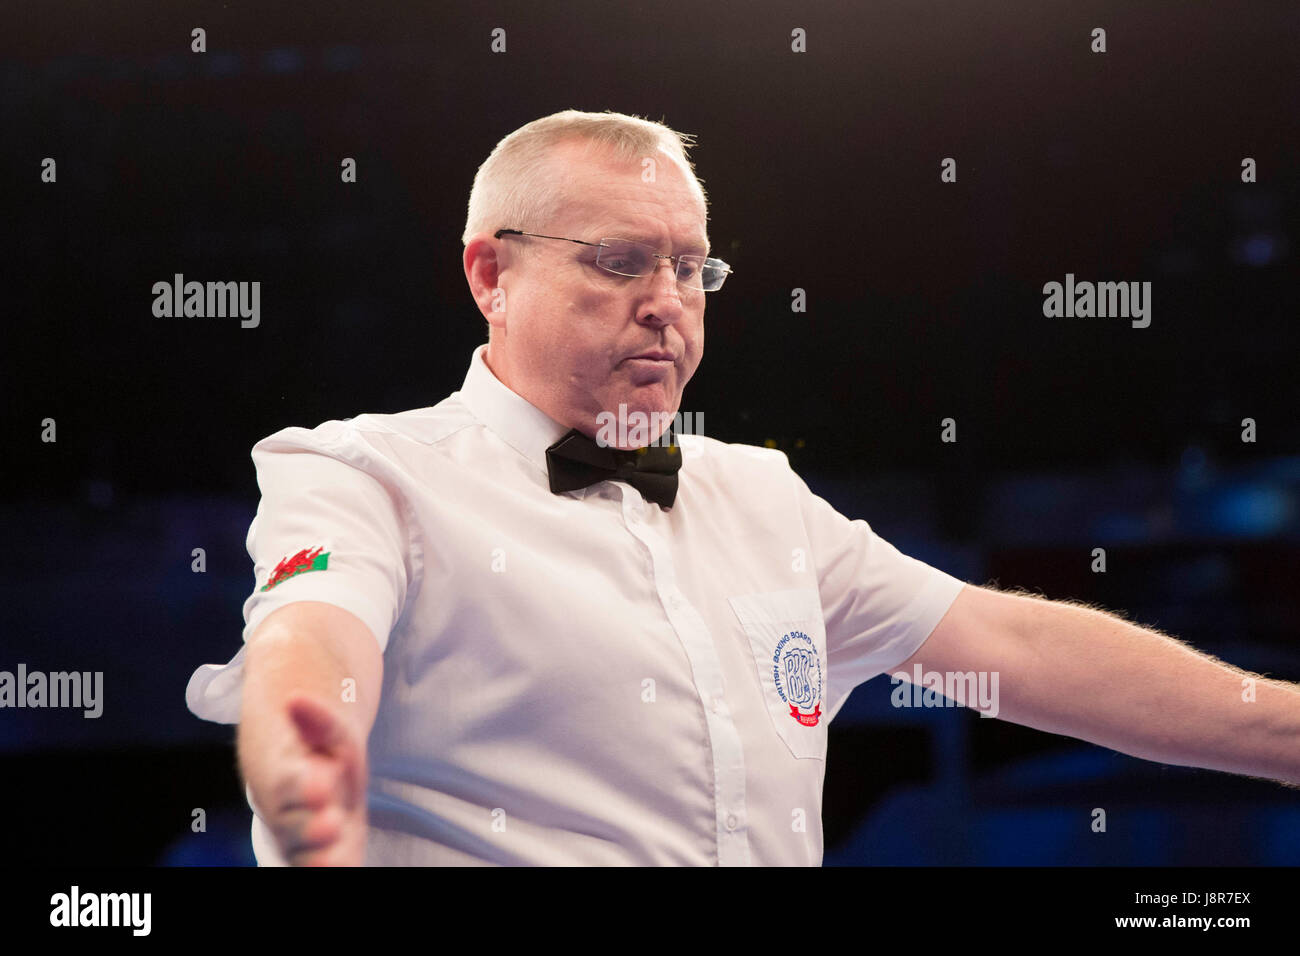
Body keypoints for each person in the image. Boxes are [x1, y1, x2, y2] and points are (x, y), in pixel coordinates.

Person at [186, 109, 1300, 867]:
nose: (667, 300)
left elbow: (1019, 649)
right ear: (492, 272)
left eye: (689, 266)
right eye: (619, 260)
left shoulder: (762, 497)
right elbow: (314, 633)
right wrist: (304, 742)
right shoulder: (363, 472)